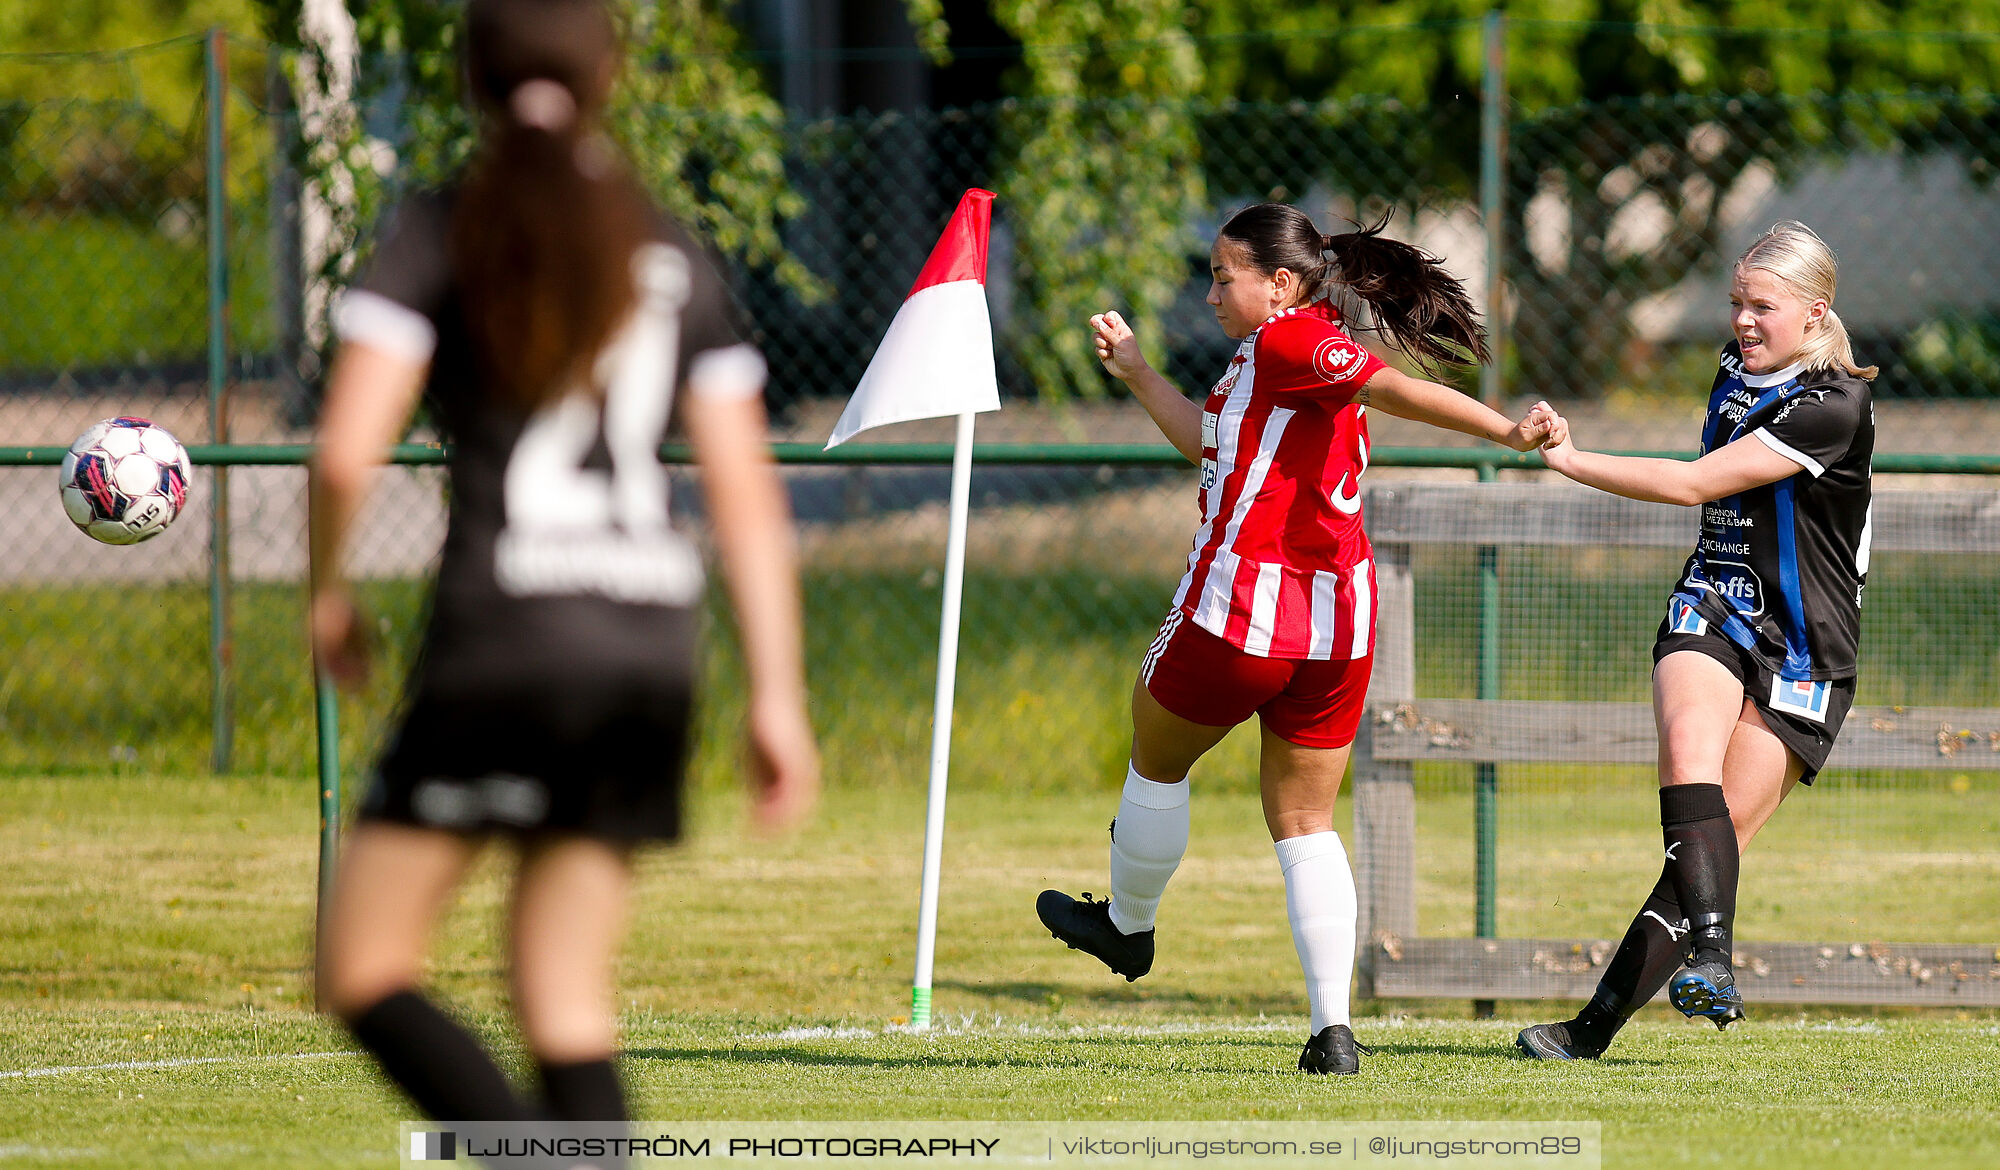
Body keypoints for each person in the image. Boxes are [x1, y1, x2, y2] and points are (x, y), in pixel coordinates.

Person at [308, 0, 819, 1149]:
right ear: (607, 79)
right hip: (646, 643)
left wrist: (328, 595)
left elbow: (345, 452)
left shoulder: (446, 223)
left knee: (362, 966)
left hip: (507, 634)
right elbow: (744, 493)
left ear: (471, 81)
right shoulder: (664, 242)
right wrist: (778, 694)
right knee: (566, 1000)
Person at [1036, 203, 1553, 1075]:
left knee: (1156, 758)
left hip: (1243, 609)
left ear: (1279, 283)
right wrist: (1135, 372)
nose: (1209, 294)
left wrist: (1503, 432)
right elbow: (1208, 445)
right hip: (1340, 625)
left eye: (1221, 275)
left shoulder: (1288, 344)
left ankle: (1127, 927)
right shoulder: (1266, 358)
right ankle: (1332, 1031)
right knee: (1305, 819)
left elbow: (1388, 385)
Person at [1515, 221, 1876, 1060]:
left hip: (1806, 648)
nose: (1743, 322)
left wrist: (1572, 460)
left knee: (1708, 855)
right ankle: (1715, 955)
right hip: (1712, 604)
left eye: (1763, 307)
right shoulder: (1731, 367)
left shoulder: (1833, 403)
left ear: (1816, 313)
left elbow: (1693, 484)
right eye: (1736, 303)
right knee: (1688, 747)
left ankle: (1588, 1031)